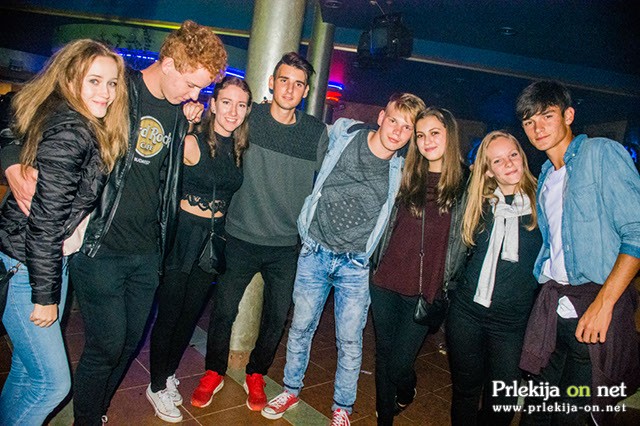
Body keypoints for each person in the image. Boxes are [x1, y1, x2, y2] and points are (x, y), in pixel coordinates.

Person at [1, 21, 227, 425]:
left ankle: (98, 409)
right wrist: (12, 162)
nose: (196, 95)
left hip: (147, 251)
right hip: (100, 244)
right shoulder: (115, 90)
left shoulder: (180, 114)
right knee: (105, 345)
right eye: (193, 84)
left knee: (127, 344)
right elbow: (34, 114)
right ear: (170, 64)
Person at [261, 93, 425, 426]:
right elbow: (304, 129)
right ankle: (291, 390)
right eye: (394, 120)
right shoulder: (345, 133)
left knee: (350, 340)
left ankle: (342, 407)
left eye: (407, 127)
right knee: (301, 328)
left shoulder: (402, 167)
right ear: (381, 117)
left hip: (356, 264)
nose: (397, 131)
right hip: (315, 250)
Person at [0, 39, 128, 425]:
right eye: (94, 81)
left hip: (38, 259)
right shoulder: (73, 130)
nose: (106, 92)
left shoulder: (74, 118)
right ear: (70, 80)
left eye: (112, 83)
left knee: (27, 370)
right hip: (28, 265)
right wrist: (44, 297)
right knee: (52, 384)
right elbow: (44, 224)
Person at [191, 52, 328, 412]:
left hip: (286, 245)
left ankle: (256, 373)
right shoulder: (249, 120)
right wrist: (192, 113)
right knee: (223, 311)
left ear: (306, 91)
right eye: (284, 80)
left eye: (298, 84)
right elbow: (215, 127)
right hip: (240, 236)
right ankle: (213, 371)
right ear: (271, 82)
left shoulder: (315, 132)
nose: (290, 89)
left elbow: (332, 174)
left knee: (276, 317)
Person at [516, 80, 640, 425]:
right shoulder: (545, 176)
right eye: (529, 121)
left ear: (568, 115)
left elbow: (636, 232)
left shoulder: (601, 154)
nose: (538, 128)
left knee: (573, 416)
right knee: (536, 414)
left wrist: (604, 303)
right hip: (556, 309)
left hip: (594, 308)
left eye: (547, 116)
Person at [146, 76, 251, 423]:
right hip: (184, 237)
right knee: (170, 314)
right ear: (213, 104)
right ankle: (156, 385)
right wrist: (184, 118)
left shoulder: (238, 148)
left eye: (241, 105)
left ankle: (168, 373)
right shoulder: (192, 141)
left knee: (190, 315)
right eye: (226, 102)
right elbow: (159, 175)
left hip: (213, 239)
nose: (233, 111)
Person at [369, 107, 468, 425]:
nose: (427, 141)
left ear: (450, 135)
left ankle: (406, 388)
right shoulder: (405, 175)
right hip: (384, 280)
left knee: (400, 363)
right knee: (383, 355)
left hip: (425, 290)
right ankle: (385, 417)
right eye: (421, 135)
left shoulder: (466, 185)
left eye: (434, 133)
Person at [446, 131, 541, 425]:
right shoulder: (478, 203)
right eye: (498, 161)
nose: (509, 164)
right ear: (488, 170)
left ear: (522, 156)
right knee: (466, 391)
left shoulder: (544, 201)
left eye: (513, 155)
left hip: (513, 323)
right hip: (467, 313)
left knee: (502, 401)